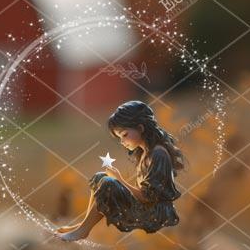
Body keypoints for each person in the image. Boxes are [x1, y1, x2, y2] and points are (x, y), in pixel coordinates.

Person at [56, 99, 185, 242]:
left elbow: (148, 197)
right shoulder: (144, 153)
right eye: (119, 137)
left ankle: (83, 231)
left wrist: (120, 180)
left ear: (141, 128)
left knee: (108, 183)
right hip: (147, 206)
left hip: (156, 214)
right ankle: (84, 224)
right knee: (101, 177)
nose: (122, 141)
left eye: (124, 135)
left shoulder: (158, 154)